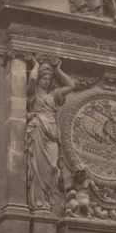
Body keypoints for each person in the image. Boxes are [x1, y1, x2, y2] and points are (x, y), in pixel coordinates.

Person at [26, 58, 75, 211]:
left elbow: (71, 85)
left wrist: (58, 71)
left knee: (53, 169)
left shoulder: (54, 95)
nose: (46, 81)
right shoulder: (33, 94)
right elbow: (32, 79)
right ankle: (38, 202)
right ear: (39, 79)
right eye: (44, 79)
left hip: (53, 134)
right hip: (39, 131)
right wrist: (36, 65)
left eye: (48, 79)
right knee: (38, 168)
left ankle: (46, 200)